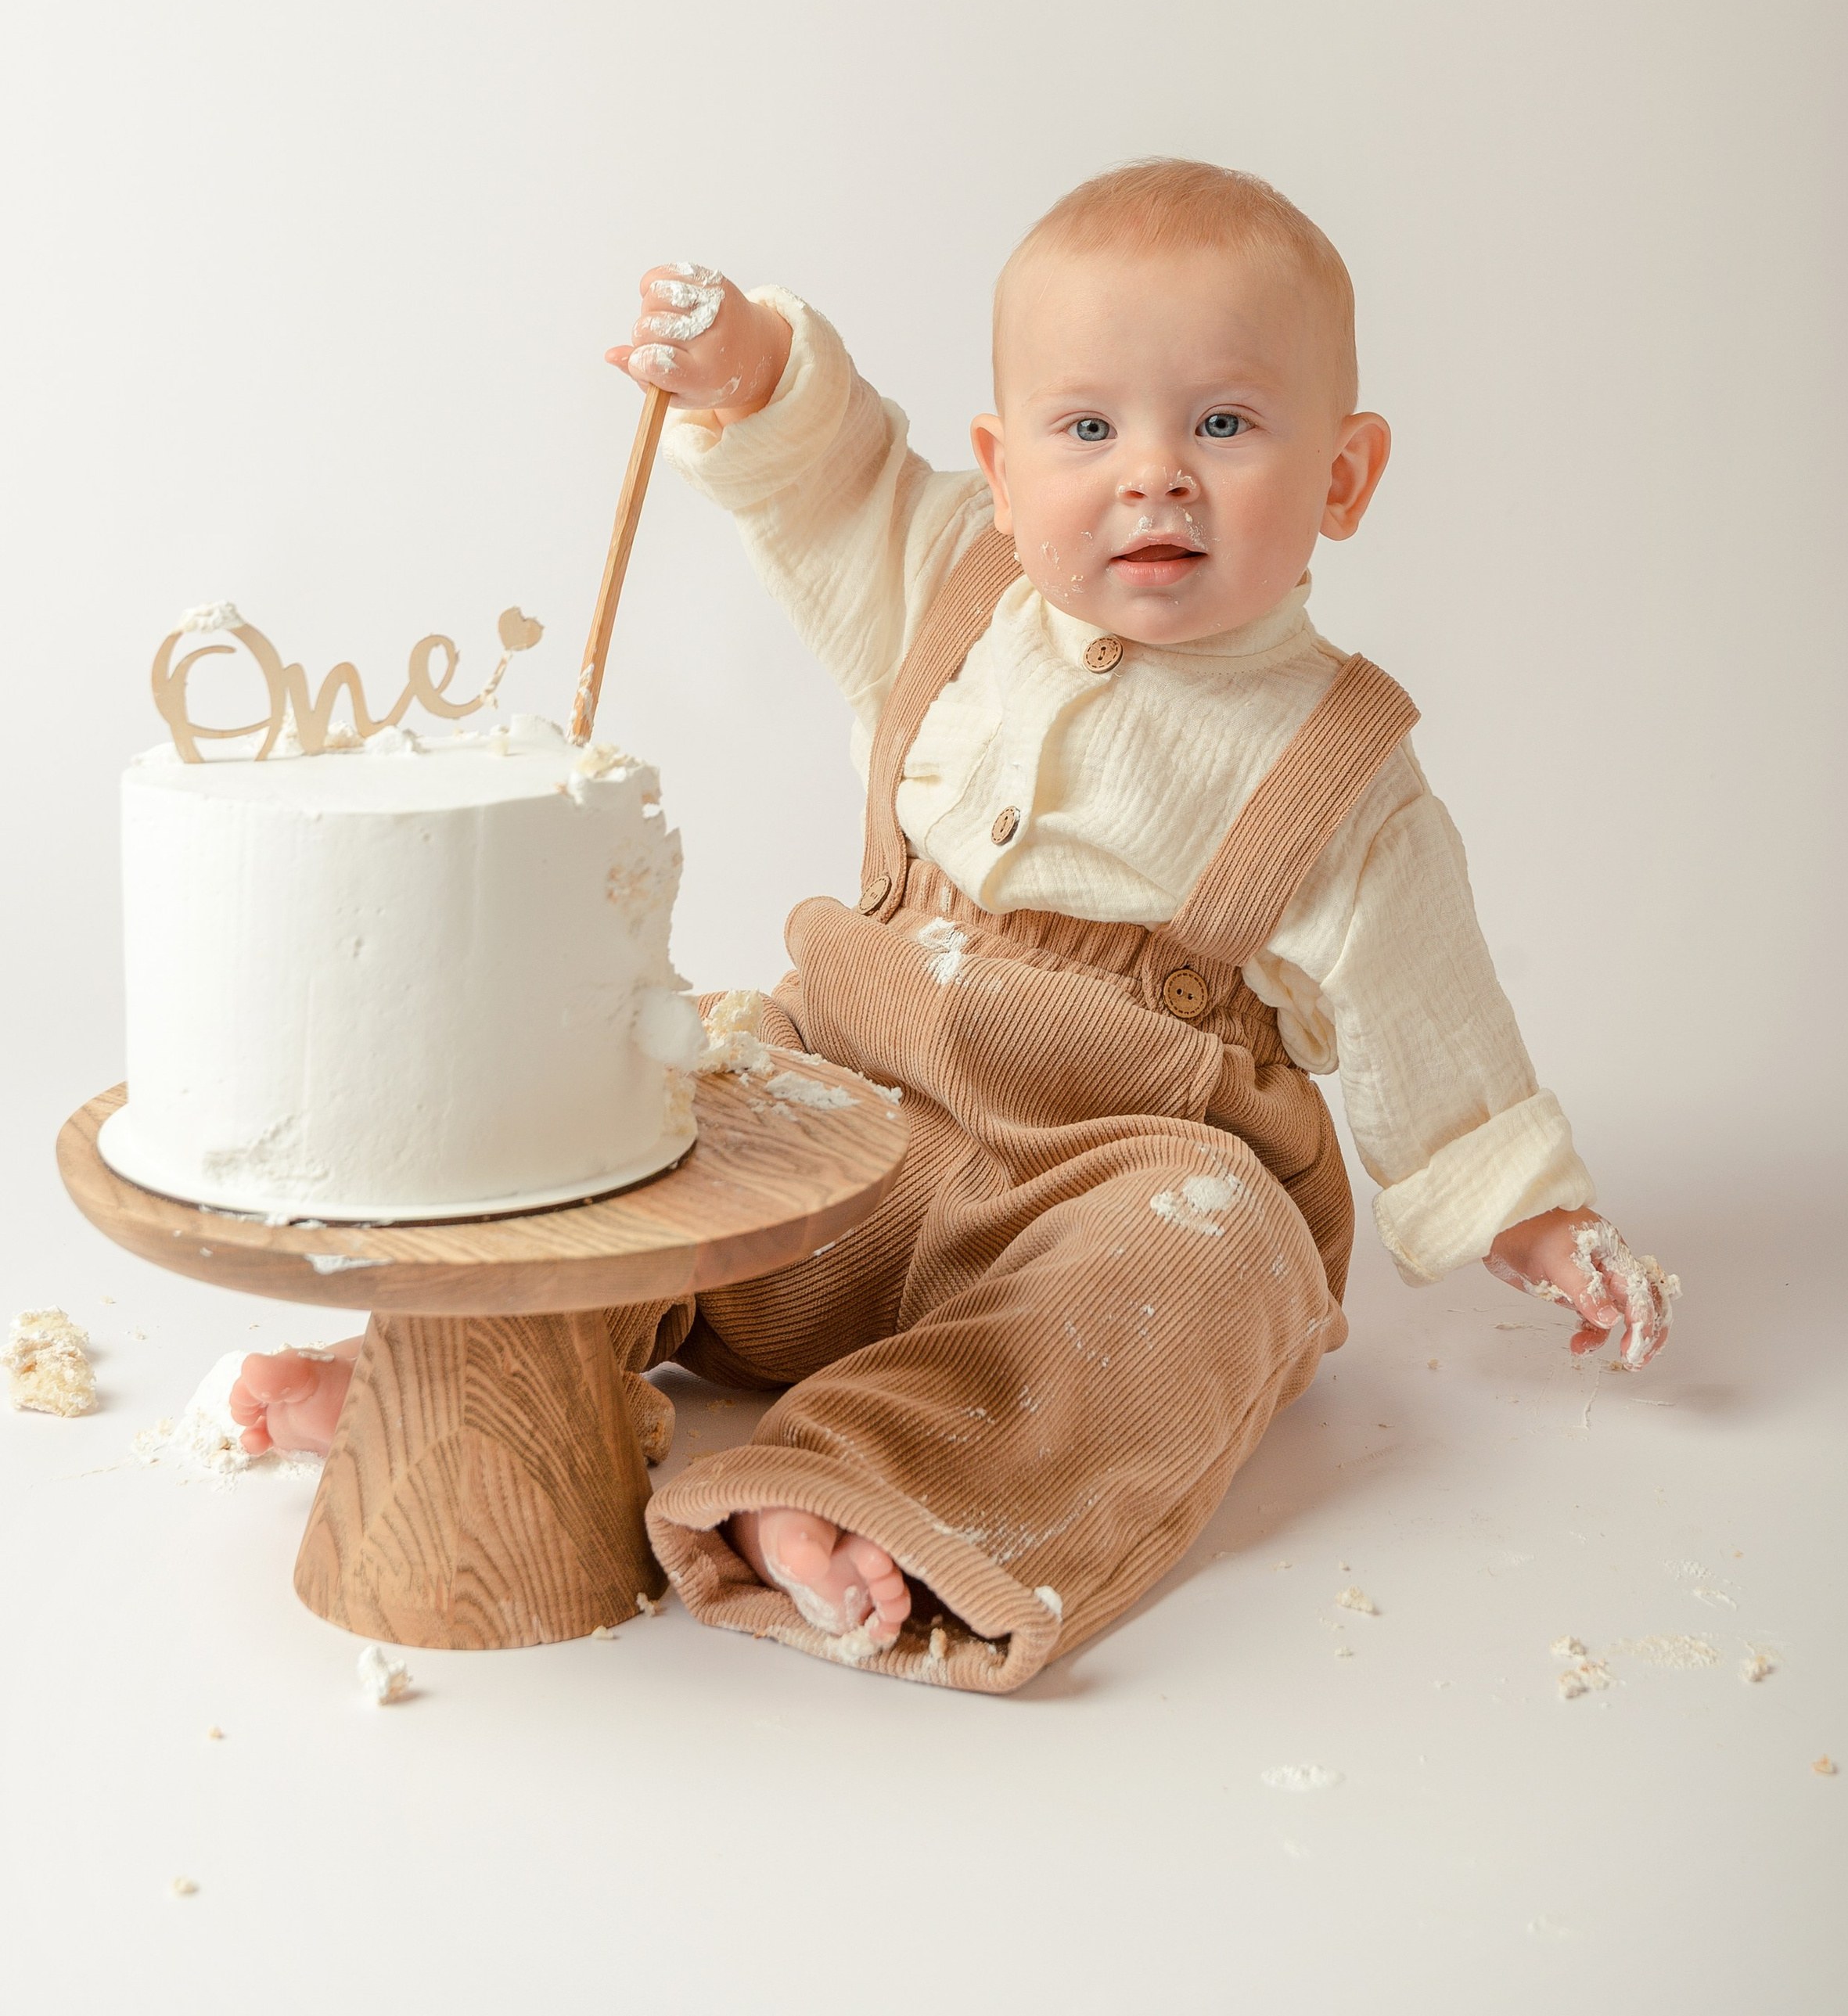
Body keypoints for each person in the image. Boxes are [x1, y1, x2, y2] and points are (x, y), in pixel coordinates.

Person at [235, 158, 1673, 1692]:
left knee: (1226, 1247)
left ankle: (863, 1480)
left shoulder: (1338, 764)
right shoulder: (948, 579)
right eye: (1086, 426)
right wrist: (756, 377)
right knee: (668, 1089)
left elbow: (1423, 1008)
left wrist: (1523, 1211)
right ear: (998, 466)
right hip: (833, 1131)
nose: (1153, 474)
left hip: (1095, 1176)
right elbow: (837, 475)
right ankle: (470, 1373)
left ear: (1342, 472)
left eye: (1226, 423)